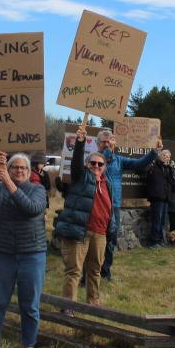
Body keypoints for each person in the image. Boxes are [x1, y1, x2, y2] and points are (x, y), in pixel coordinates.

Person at [0, 152, 49, 348]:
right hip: (3, 253)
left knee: (29, 304)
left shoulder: (37, 189)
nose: (19, 170)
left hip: (32, 253)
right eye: (14, 167)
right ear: (7, 169)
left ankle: (29, 345)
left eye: (23, 168)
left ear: (29, 172)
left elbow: (31, 208)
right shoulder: (0, 187)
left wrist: (8, 181)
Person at [55, 123, 111, 306]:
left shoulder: (106, 183)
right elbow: (76, 162)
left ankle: (93, 304)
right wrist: (80, 142)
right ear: (87, 165)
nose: (96, 166)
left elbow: (110, 208)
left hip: (100, 233)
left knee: (95, 271)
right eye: (92, 163)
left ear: (104, 167)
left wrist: (112, 228)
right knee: (74, 271)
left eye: (100, 164)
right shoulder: (81, 177)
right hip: (80, 231)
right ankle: (68, 307)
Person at [97, 128, 160, 280]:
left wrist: (153, 152)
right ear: (97, 143)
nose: (107, 144)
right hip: (98, 205)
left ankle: (106, 272)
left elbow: (138, 164)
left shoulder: (119, 160)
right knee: (95, 240)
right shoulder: (95, 159)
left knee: (111, 240)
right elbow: (105, 159)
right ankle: (91, 272)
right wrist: (108, 150)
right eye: (104, 142)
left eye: (109, 141)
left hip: (115, 205)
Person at [144, 149, 175, 248]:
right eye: (164, 155)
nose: (166, 157)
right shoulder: (154, 166)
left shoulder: (169, 169)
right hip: (157, 198)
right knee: (156, 221)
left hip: (165, 198)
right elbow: (148, 178)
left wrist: (169, 169)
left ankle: (160, 241)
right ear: (159, 156)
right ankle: (153, 242)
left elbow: (172, 183)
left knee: (162, 222)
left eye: (168, 156)